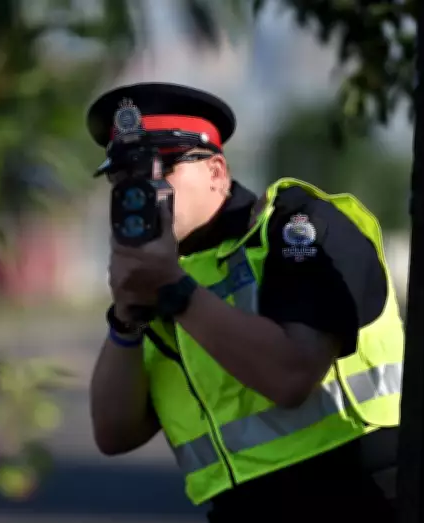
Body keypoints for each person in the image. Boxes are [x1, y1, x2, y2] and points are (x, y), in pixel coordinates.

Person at [86, 82, 402, 523]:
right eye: (124, 177)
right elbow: (115, 433)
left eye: (162, 168)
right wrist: (125, 320)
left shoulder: (294, 229)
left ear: (217, 171)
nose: (141, 189)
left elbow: (292, 375)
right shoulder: (166, 275)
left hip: (359, 500)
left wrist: (176, 293)